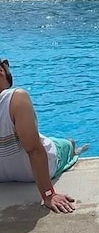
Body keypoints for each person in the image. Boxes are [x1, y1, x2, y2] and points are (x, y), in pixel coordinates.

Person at [0, 59, 89, 213]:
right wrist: (48, 194)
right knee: (64, 145)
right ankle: (72, 147)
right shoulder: (15, 98)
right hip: (32, 172)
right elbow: (34, 150)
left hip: (2, 175)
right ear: (2, 72)